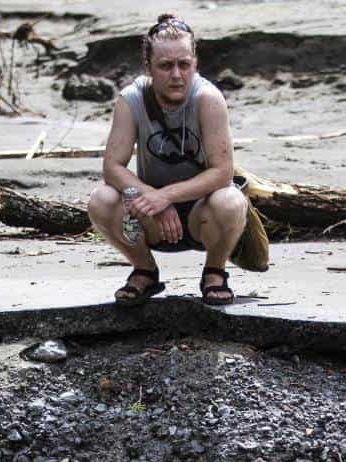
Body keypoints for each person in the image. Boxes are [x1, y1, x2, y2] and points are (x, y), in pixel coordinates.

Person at [87, 14, 248, 307]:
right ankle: (144, 270)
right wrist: (154, 200)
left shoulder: (208, 98)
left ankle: (215, 271)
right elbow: (112, 167)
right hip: (149, 218)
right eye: (165, 66)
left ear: (195, 63)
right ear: (148, 67)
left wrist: (168, 196)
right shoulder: (131, 99)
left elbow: (222, 172)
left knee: (231, 200)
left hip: (204, 215)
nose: (176, 74)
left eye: (184, 64)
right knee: (101, 199)